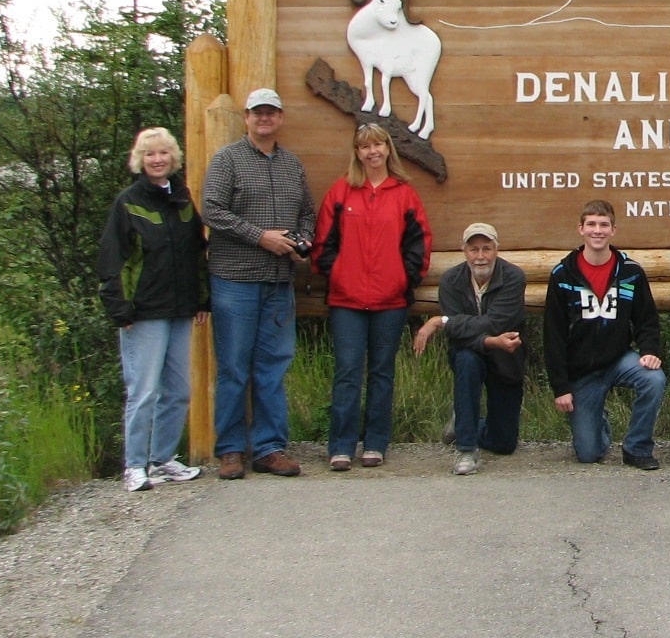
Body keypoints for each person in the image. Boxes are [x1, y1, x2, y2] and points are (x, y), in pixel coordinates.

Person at [202, 87, 316, 480]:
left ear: (280, 118)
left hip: (278, 280)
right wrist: (260, 236)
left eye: (271, 112)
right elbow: (212, 211)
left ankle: (270, 447)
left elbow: (308, 214)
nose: (264, 118)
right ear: (247, 118)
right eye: (257, 113)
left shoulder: (292, 165)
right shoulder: (227, 160)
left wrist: (303, 242)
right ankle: (231, 450)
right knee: (234, 367)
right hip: (235, 280)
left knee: (272, 367)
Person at [311, 123, 431, 471]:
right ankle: (341, 446)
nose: (372, 151)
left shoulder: (404, 192)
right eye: (365, 147)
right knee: (347, 372)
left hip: (390, 301)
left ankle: (376, 443)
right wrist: (337, 274)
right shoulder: (341, 191)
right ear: (357, 153)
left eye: (378, 145)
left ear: (388, 149)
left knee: (382, 372)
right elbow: (323, 243)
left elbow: (419, 243)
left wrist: (403, 280)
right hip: (346, 301)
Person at [97, 128, 209, 492]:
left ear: (173, 158)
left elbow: (197, 253)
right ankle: (134, 465)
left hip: (180, 309)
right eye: (150, 154)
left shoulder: (182, 199)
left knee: (178, 390)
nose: (157, 159)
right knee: (143, 391)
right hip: (143, 313)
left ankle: (163, 459)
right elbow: (112, 259)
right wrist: (119, 308)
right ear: (140, 160)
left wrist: (201, 299)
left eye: (163, 153)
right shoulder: (128, 202)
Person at [542, 200, 665, 469]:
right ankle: (598, 419)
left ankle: (637, 448)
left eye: (604, 225)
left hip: (618, 360)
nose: (597, 231)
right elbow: (553, 335)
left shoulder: (630, 272)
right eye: (592, 225)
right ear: (581, 229)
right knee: (588, 453)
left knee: (653, 379)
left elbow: (647, 319)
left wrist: (649, 351)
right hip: (581, 371)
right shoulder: (563, 275)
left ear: (613, 230)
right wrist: (560, 387)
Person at [413, 221, 528, 477]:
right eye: (473, 249)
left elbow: (497, 322)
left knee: (504, 444)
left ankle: (465, 422)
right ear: (463, 250)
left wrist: (441, 321)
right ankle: (466, 449)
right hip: (469, 353)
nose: (480, 256)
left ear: (496, 249)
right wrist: (489, 340)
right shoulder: (451, 280)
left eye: (486, 248)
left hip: (506, 357)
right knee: (466, 359)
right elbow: (459, 336)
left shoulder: (513, 277)